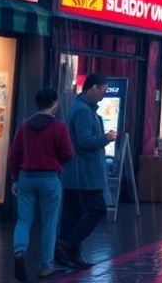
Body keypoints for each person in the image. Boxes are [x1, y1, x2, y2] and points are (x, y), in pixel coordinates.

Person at [8, 87, 73, 281]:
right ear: (54, 103)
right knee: (49, 223)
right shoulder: (59, 127)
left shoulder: (24, 126)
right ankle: (46, 266)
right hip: (50, 179)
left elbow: (15, 154)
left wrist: (15, 178)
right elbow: (68, 154)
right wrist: (55, 159)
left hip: (26, 177)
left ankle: (19, 252)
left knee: (24, 220)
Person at [57, 73, 117, 270]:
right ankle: (66, 244)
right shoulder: (83, 111)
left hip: (75, 172)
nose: (104, 94)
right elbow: (84, 141)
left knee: (72, 213)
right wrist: (106, 138)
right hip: (85, 173)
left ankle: (70, 254)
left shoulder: (81, 108)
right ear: (92, 88)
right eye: (103, 90)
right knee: (97, 209)